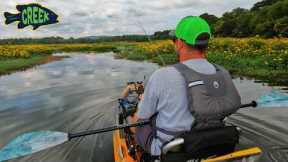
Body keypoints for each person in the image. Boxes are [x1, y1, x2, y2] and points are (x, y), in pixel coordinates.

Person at [132, 16, 241, 156]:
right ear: (206, 43)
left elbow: (143, 116)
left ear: (180, 43)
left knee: (137, 120)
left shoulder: (161, 75)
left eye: (174, 40)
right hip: (214, 145)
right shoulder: (223, 72)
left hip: (171, 152)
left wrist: (141, 101)